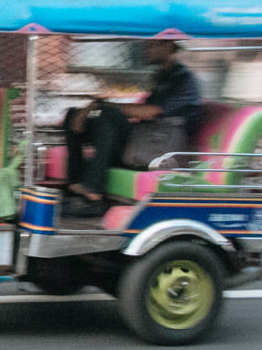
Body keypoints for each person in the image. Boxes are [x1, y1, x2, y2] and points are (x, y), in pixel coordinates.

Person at [62, 39, 202, 217]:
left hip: (160, 150)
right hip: (145, 141)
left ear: (167, 46)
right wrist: (88, 111)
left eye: (151, 45)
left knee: (109, 116)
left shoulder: (182, 79)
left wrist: (101, 105)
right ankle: (75, 185)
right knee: (73, 115)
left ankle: (93, 195)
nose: (145, 49)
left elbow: (151, 112)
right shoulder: (162, 76)